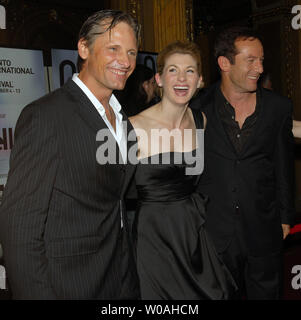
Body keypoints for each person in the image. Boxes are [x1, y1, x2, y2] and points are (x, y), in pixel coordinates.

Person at [0, 10, 140, 299]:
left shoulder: (123, 119)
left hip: (120, 279)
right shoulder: (46, 117)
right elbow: (19, 233)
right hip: (70, 285)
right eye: (113, 48)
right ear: (84, 48)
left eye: (131, 52)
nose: (126, 62)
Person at [190, 26, 295, 299]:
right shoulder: (197, 108)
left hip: (264, 230)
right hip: (214, 233)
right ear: (225, 63)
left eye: (261, 60)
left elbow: (283, 166)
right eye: (251, 60)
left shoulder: (278, 108)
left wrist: (285, 218)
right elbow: (189, 171)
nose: (259, 68)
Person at [129, 41, 237, 300]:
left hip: (192, 234)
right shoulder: (132, 128)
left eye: (190, 71)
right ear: (159, 79)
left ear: (200, 80)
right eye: (173, 70)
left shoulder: (201, 121)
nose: (181, 78)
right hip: (152, 239)